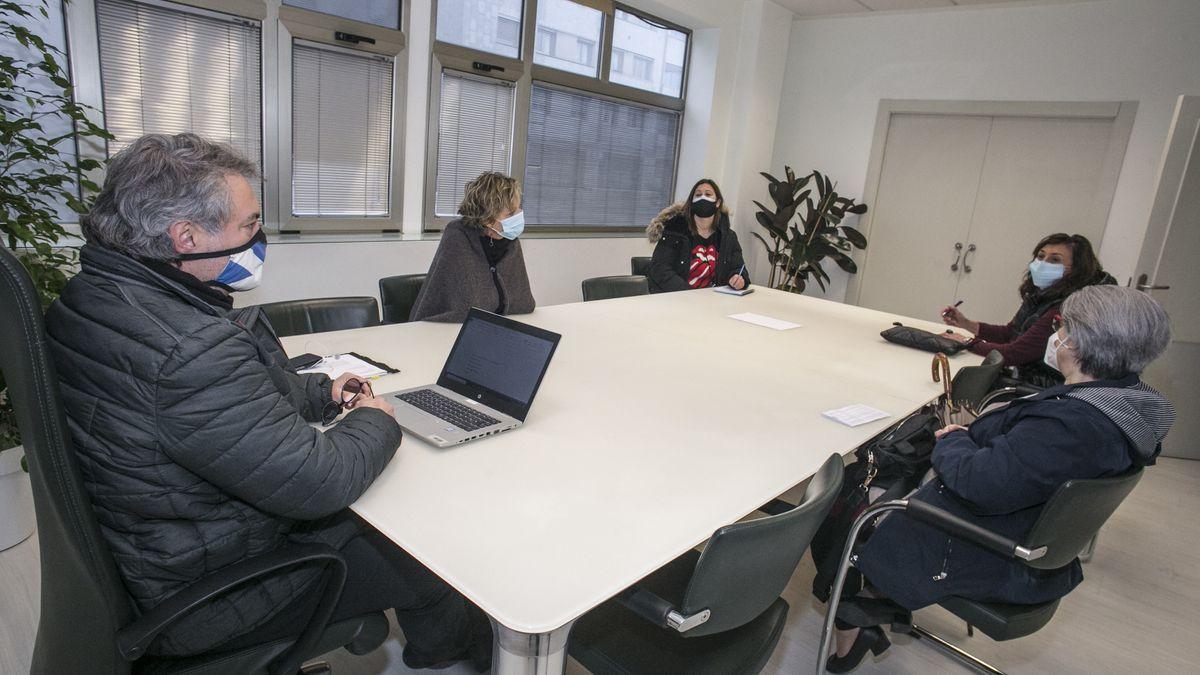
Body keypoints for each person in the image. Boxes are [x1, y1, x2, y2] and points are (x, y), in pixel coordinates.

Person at [43, 133, 491, 670]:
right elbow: (321, 482)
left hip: (155, 546)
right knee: (428, 549)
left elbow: (213, 404)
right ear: (185, 236)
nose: (259, 238)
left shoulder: (97, 296)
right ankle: (452, 657)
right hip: (214, 593)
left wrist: (320, 392)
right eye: (249, 224)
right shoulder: (190, 347)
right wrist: (375, 419)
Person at [824, 285, 1175, 672]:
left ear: (1078, 342)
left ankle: (854, 619)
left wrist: (955, 439)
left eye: (1063, 326)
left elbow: (977, 483)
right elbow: (1025, 464)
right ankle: (877, 604)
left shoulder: (1073, 427)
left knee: (845, 498)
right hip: (1021, 534)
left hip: (989, 548)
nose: (1056, 335)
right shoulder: (1122, 405)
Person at [942, 233, 1115, 387]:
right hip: (1025, 378)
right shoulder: (1043, 294)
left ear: (1076, 270)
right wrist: (966, 324)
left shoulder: (1068, 307)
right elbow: (1010, 333)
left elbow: (1015, 353)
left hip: (1044, 387)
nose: (1042, 263)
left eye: (1055, 260)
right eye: (1040, 257)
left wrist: (966, 342)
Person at [410, 171, 535, 322]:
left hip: (493, 327)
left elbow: (523, 302)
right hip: (444, 330)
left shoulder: (510, 240)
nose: (518, 216)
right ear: (488, 218)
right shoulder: (458, 236)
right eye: (510, 214)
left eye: (518, 209)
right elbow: (466, 307)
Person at [645, 178, 749, 293]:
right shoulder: (675, 231)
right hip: (677, 299)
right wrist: (689, 294)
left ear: (718, 203)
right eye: (698, 195)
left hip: (714, 301)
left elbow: (738, 268)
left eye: (708, 194)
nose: (702, 197)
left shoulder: (728, 237)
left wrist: (739, 279)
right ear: (691, 202)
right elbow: (659, 269)